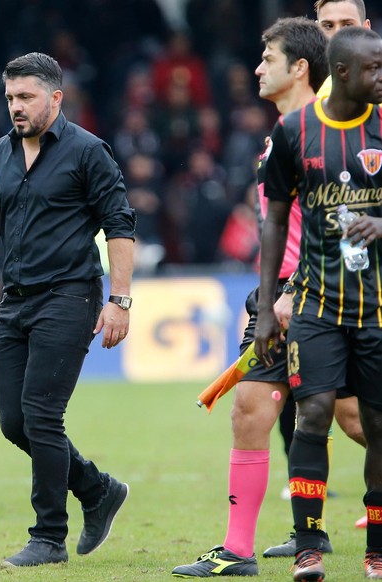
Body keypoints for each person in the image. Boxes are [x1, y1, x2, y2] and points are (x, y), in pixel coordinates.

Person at [172, 14, 371, 577]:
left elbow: (337, 226)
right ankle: (237, 551)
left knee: (357, 419)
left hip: (323, 296)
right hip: (277, 299)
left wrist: (296, 292)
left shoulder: (332, 137)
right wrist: (267, 297)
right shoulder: (279, 138)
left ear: (299, 68)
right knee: (251, 410)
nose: (257, 69)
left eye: (268, 59)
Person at [0, 52, 135, 568]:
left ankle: (48, 538)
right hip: (16, 298)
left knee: (42, 416)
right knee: (13, 422)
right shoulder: (1, 152)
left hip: (70, 294)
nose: (15, 107)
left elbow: (120, 224)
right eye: (9, 98)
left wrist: (119, 300)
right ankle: (97, 490)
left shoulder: (89, 151)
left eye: (25, 97)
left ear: (55, 97)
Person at [255, 26, 382, 581]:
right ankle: (308, 546)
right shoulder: (293, 132)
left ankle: (377, 550)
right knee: (313, 412)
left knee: (377, 425)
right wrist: (264, 309)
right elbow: (275, 220)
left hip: (378, 308)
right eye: (375, 68)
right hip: (316, 305)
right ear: (346, 73)